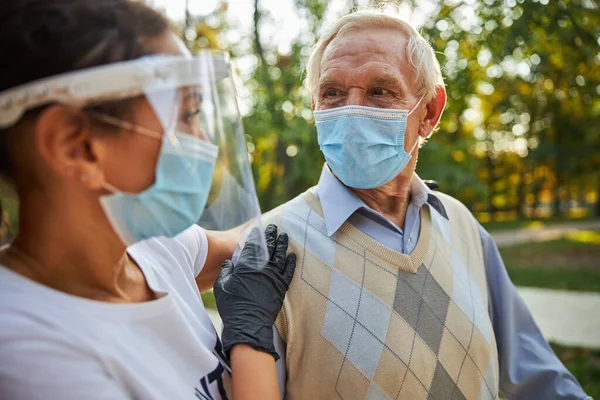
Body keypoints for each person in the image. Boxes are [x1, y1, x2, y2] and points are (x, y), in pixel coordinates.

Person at [259, 9, 592, 400]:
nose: (351, 111)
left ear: (429, 113)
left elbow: (537, 379)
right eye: (332, 93)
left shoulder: (461, 226)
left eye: (380, 91)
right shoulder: (270, 250)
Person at [0, 1, 295, 399]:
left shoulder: (150, 248)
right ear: (76, 145)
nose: (205, 142)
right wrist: (249, 343)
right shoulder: (31, 356)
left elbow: (252, 243)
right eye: (188, 114)